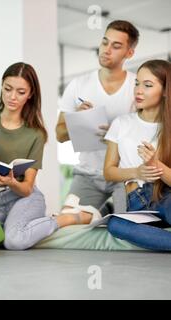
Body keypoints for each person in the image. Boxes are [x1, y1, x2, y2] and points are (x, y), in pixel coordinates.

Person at [0, 62, 97, 251]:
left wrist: (10, 181)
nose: (12, 97)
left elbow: (26, 188)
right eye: (8, 89)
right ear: (2, 86)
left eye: (21, 92)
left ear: (30, 94)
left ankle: (68, 217)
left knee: (14, 241)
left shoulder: (35, 134)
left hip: (24, 198)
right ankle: (11, 226)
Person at [55, 20, 140, 217]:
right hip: (88, 175)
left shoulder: (137, 87)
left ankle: (107, 210)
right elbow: (59, 135)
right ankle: (100, 211)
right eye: (104, 42)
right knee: (66, 228)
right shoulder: (78, 85)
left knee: (124, 228)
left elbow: (147, 134)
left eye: (116, 46)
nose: (106, 50)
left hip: (124, 175)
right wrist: (77, 120)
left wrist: (116, 133)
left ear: (129, 53)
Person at [104, 59, 171, 251]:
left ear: (166, 91)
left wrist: (155, 163)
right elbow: (109, 172)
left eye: (147, 85)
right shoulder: (122, 123)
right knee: (115, 224)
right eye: (136, 83)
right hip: (137, 201)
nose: (138, 90)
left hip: (165, 195)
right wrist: (138, 172)